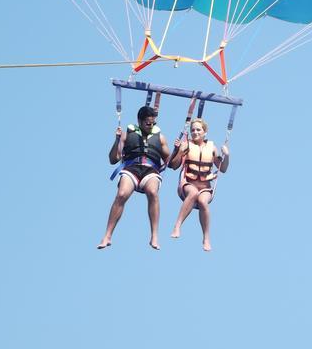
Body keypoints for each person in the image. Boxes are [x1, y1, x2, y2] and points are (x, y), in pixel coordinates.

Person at [98, 105, 170, 250]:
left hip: (150, 171)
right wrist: (117, 140)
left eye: (153, 123)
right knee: (121, 194)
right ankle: (107, 235)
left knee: (153, 193)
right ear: (140, 121)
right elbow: (113, 159)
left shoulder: (160, 137)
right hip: (131, 169)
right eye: (148, 123)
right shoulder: (127, 134)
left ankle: (154, 236)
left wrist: (180, 150)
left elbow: (173, 163)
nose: (151, 126)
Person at [169, 118, 229, 251]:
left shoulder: (212, 148)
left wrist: (226, 155)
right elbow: (173, 165)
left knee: (202, 201)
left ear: (205, 132)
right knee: (193, 193)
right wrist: (179, 151)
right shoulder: (187, 145)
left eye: (198, 130)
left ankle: (206, 238)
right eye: (193, 130)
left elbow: (222, 168)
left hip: (205, 187)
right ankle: (177, 226)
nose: (195, 132)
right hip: (188, 184)